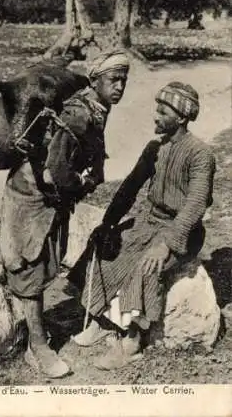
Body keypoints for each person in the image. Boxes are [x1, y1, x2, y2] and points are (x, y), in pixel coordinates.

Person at [0, 52, 130, 378]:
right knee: (33, 264)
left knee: (46, 264)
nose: (120, 87)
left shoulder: (96, 109)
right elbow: (55, 170)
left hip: (50, 197)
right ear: (95, 81)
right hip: (32, 196)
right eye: (114, 80)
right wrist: (81, 183)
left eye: (124, 80)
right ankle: (37, 346)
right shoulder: (77, 115)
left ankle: (33, 325)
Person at [70, 81, 216, 370]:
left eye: (163, 111)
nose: (155, 116)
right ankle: (103, 320)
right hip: (149, 222)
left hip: (182, 231)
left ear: (182, 118)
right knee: (107, 250)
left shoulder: (201, 154)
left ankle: (132, 342)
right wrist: (108, 223)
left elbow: (196, 204)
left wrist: (166, 245)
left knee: (146, 267)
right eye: (156, 109)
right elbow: (130, 187)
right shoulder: (155, 148)